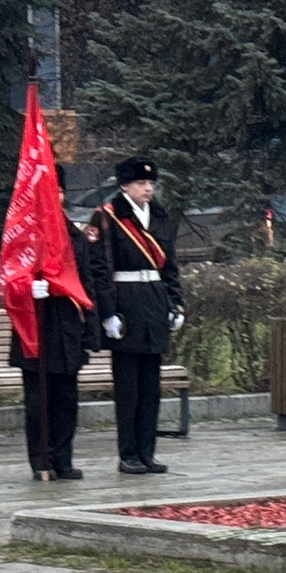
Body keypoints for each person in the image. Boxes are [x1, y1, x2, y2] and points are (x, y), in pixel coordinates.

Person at [87, 156, 182, 475]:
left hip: (154, 301)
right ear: (124, 185)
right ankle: (128, 453)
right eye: (142, 183)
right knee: (128, 388)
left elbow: (169, 265)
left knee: (151, 386)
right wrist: (108, 312)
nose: (148, 188)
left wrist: (175, 304)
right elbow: (100, 267)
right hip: (125, 304)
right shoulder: (107, 217)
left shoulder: (159, 215)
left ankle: (147, 451)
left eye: (151, 183)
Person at [13, 171, 104, 482]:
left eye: (60, 190)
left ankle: (63, 458)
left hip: (67, 327)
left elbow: (86, 282)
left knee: (66, 400)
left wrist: (91, 327)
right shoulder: (26, 231)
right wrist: (28, 288)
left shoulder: (74, 235)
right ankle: (41, 460)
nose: (56, 197)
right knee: (39, 402)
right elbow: (11, 272)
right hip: (37, 325)